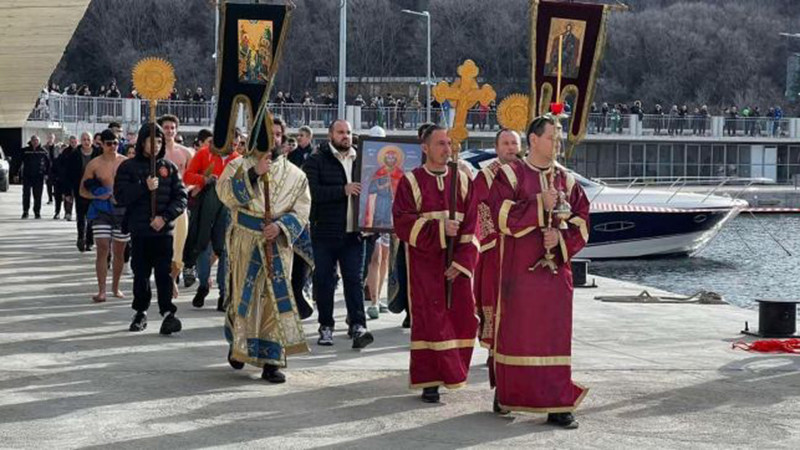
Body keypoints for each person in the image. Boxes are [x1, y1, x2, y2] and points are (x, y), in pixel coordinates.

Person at [485, 115, 590, 428]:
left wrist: (560, 237)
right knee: (519, 335)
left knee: (554, 338)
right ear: (533, 140)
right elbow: (499, 215)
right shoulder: (510, 174)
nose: (556, 143)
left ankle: (558, 403)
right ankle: (508, 392)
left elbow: (583, 222)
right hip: (519, 274)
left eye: (558, 138)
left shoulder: (566, 180)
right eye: (551, 137)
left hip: (556, 276)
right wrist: (538, 205)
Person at [216, 115, 311, 383]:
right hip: (245, 240)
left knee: (274, 300)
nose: (275, 139)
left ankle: (271, 361)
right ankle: (239, 347)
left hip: (277, 243)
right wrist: (254, 174)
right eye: (270, 134)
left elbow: (303, 209)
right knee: (243, 296)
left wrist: (282, 227)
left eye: (279, 135)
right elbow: (225, 195)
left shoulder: (297, 175)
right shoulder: (238, 165)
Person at [391, 125, 479, 403]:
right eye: (440, 144)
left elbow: (474, 226)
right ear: (425, 148)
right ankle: (430, 381)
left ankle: (453, 374)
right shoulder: (411, 181)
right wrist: (441, 230)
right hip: (425, 266)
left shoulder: (462, 181)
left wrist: (463, 262)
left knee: (461, 319)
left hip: (457, 266)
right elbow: (403, 223)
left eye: (449, 144)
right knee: (430, 323)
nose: (446, 149)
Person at [303, 119, 374, 349]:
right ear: (330, 135)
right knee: (324, 281)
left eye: (349, 132)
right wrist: (342, 190)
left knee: (354, 280)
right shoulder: (316, 160)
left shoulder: (362, 160)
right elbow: (311, 193)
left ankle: (358, 325)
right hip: (325, 232)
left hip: (355, 234)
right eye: (341, 132)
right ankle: (326, 326)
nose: (346, 136)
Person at [114, 124, 188, 334]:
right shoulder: (128, 167)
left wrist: (164, 218)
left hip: (163, 232)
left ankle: (167, 313)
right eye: (151, 141)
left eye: (158, 141)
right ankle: (140, 312)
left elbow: (180, 198)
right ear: (142, 142)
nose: (155, 145)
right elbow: (120, 196)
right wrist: (143, 187)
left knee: (164, 274)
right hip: (140, 231)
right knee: (141, 274)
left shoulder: (169, 168)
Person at [472, 129, 520, 362]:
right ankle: (494, 349)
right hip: (496, 249)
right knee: (494, 298)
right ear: (497, 147)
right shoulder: (486, 176)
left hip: (523, 249)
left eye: (514, 143)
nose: (510, 148)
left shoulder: (527, 172)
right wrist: (490, 239)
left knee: (520, 300)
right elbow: (478, 207)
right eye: (506, 143)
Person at [183, 128, 238, 311]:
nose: (230, 145)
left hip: (227, 209)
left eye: (233, 141)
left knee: (224, 251)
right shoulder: (204, 153)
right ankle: (204, 284)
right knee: (202, 245)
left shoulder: (238, 159)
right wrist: (205, 179)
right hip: (205, 206)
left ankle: (224, 293)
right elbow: (187, 176)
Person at [80, 129, 129, 303]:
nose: (113, 147)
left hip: (122, 212)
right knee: (102, 248)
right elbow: (82, 190)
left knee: (119, 251)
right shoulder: (94, 164)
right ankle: (102, 291)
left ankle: (115, 287)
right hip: (101, 211)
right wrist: (97, 196)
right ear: (102, 144)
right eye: (109, 143)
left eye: (116, 143)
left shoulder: (125, 162)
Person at [159, 114, 195, 299]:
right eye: (166, 127)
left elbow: (193, 178)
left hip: (180, 205)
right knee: (163, 245)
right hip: (160, 206)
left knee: (179, 245)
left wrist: (185, 190)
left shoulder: (186, 152)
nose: (169, 131)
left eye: (172, 128)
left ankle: (172, 278)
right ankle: (166, 280)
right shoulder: (156, 153)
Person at [65, 132, 101, 250]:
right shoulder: (74, 154)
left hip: (93, 190)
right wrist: (68, 193)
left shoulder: (98, 153)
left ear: (92, 141)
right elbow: (68, 175)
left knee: (91, 216)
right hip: (79, 189)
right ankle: (81, 237)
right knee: (81, 215)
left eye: (88, 139)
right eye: (84, 139)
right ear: (81, 141)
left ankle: (90, 240)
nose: (86, 142)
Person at [20, 135, 51, 219]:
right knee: (26, 195)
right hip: (27, 176)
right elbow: (19, 162)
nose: (35, 142)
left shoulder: (43, 151)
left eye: (37, 140)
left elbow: (48, 164)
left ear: (39, 142)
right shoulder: (25, 151)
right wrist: (16, 173)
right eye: (33, 140)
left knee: (37, 195)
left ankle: (37, 212)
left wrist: (47, 174)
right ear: (31, 141)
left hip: (38, 176)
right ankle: (25, 212)